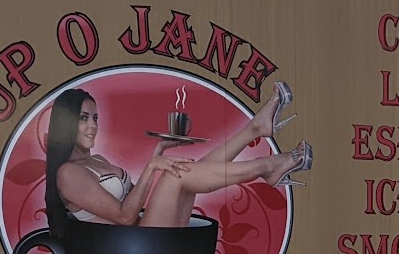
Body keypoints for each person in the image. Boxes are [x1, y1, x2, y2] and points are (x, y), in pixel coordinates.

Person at [45, 83, 309, 232]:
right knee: (176, 175)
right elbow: (125, 217)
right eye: (83, 118)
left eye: (95, 118)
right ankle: (267, 166)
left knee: (184, 170)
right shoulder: (67, 173)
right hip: (133, 252)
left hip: (149, 235)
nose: (92, 126)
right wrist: (152, 167)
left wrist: (157, 154)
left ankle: (255, 129)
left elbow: (138, 202)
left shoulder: (99, 161)